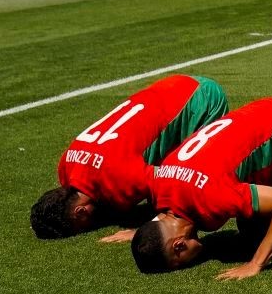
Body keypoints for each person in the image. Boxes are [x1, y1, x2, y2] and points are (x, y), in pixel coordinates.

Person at [130, 97, 272, 277]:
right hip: (262, 113)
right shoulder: (161, 187)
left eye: (179, 263)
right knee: (253, 233)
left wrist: (256, 263)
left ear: (178, 245)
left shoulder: (212, 196)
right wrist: (142, 236)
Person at [31, 75, 229, 240]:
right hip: (171, 85)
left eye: (80, 227)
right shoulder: (66, 166)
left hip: (202, 98)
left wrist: (147, 229)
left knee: (195, 173)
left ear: (80, 211)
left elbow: (176, 180)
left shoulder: (121, 177)